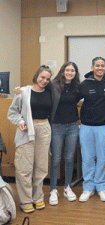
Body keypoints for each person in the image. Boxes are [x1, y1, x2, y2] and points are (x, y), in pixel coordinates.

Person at [7, 65, 52, 213]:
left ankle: (37, 198)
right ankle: (25, 200)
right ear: (36, 76)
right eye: (42, 77)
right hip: (27, 130)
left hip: (44, 129)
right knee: (24, 168)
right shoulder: (23, 92)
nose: (44, 81)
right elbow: (12, 112)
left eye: (47, 78)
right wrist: (20, 122)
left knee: (41, 167)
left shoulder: (50, 92)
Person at [78, 57, 105, 202]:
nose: (100, 68)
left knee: (102, 158)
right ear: (92, 67)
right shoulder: (85, 84)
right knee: (87, 159)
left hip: (103, 126)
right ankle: (88, 187)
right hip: (86, 126)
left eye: (102, 65)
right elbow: (71, 98)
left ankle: (101, 187)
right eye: (97, 65)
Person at [49, 62, 81, 205]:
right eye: (67, 70)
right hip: (56, 126)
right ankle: (53, 190)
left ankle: (67, 187)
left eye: (72, 70)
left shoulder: (77, 87)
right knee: (56, 159)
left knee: (69, 159)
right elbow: (38, 88)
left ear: (75, 73)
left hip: (73, 126)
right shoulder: (53, 85)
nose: (69, 72)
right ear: (63, 71)